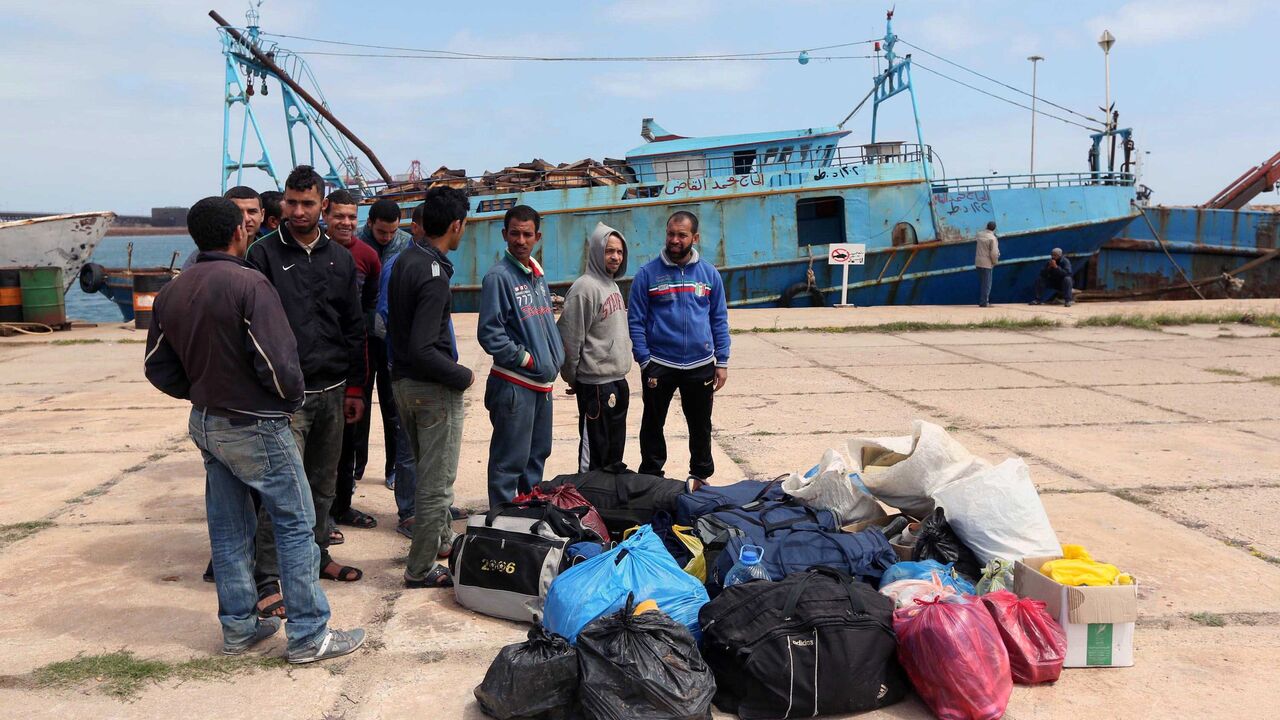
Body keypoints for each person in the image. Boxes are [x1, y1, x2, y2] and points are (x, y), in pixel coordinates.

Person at [144, 196, 363, 663]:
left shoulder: (173, 291)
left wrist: (199, 389)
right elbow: (279, 364)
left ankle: (239, 627)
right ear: (238, 232)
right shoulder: (250, 284)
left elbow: (157, 366)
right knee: (297, 523)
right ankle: (309, 635)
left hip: (208, 420)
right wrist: (288, 402)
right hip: (255, 421)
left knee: (229, 528)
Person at [246, 165, 367, 583]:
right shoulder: (263, 255)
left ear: (323, 205)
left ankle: (317, 557)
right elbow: (251, 328)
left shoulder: (340, 259)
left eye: (307, 203)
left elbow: (353, 327)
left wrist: (356, 388)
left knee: (322, 484)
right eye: (292, 203)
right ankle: (268, 574)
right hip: (285, 397)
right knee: (281, 488)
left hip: (334, 390)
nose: (298, 211)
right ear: (283, 202)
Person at [386, 187, 475, 588]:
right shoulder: (434, 274)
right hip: (432, 391)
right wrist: (462, 375)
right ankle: (420, 568)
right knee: (437, 485)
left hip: (403, 385)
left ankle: (441, 539)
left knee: (428, 473)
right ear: (456, 225)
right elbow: (424, 348)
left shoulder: (406, 259)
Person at [629, 211, 730, 487]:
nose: (675, 240)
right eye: (671, 234)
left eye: (682, 235)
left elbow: (719, 319)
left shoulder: (709, 274)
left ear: (694, 238)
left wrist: (722, 361)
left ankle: (700, 476)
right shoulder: (647, 274)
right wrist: (644, 360)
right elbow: (636, 320)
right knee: (652, 423)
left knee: (701, 425)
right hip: (659, 364)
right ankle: (650, 478)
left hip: (700, 365)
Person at [478, 205, 564, 508]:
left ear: (537, 237)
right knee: (509, 461)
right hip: (515, 385)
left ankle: (528, 514)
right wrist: (526, 359)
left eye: (527, 234)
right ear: (505, 234)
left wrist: (554, 357)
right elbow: (490, 333)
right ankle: (502, 519)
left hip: (541, 386)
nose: (520, 240)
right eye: (514, 233)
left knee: (536, 456)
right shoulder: (498, 277)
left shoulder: (536, 275)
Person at [325, 190, 381, 542]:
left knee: (350, 439)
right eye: (339, 216)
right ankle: (323, 515)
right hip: (317, 363)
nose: (345, 222)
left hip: (353, 357)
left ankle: (343, 505)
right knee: (321, 446)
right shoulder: (315, 254)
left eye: (351, 216)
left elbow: (368, 305)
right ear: (325, 215)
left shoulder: (368, 256)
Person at [558, 222, 632, 471]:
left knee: (613, 457)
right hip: (596, 387)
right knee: (594, 459)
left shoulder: (612, 285)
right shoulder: (584, 288)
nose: (615, 257)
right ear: (597, 252)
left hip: (617, 381)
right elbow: (570, 338)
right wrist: (573, 377)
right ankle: (587, 492)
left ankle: (608, 494)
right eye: (609, 251)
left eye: (619, 252)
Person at [358, 198, 414, 493]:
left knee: (393, 407)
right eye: (381, 231)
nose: (387, 237)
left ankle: (393, 468)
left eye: (392, 231)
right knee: (359, 404)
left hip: (392, 338)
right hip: (362, 338)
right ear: (370, 223)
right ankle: (357, 467)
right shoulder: (355, 242)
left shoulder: (406, 244)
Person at [182, 186, 262, 271]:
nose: (246, 218)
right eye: (238, 212)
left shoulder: (268, 252)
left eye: (252, 212)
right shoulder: (198, 259)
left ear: (262, 214)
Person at [975, 221, 999, 308]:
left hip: (978, 262)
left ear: (986, 226)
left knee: (982, 283)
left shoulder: (979, 235)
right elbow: (994, 253)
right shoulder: (992, 238)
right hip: (987, 264)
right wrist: (995, 262)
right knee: (987, 284)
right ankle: (984, 302)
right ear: (994, 229)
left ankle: (982, 301)